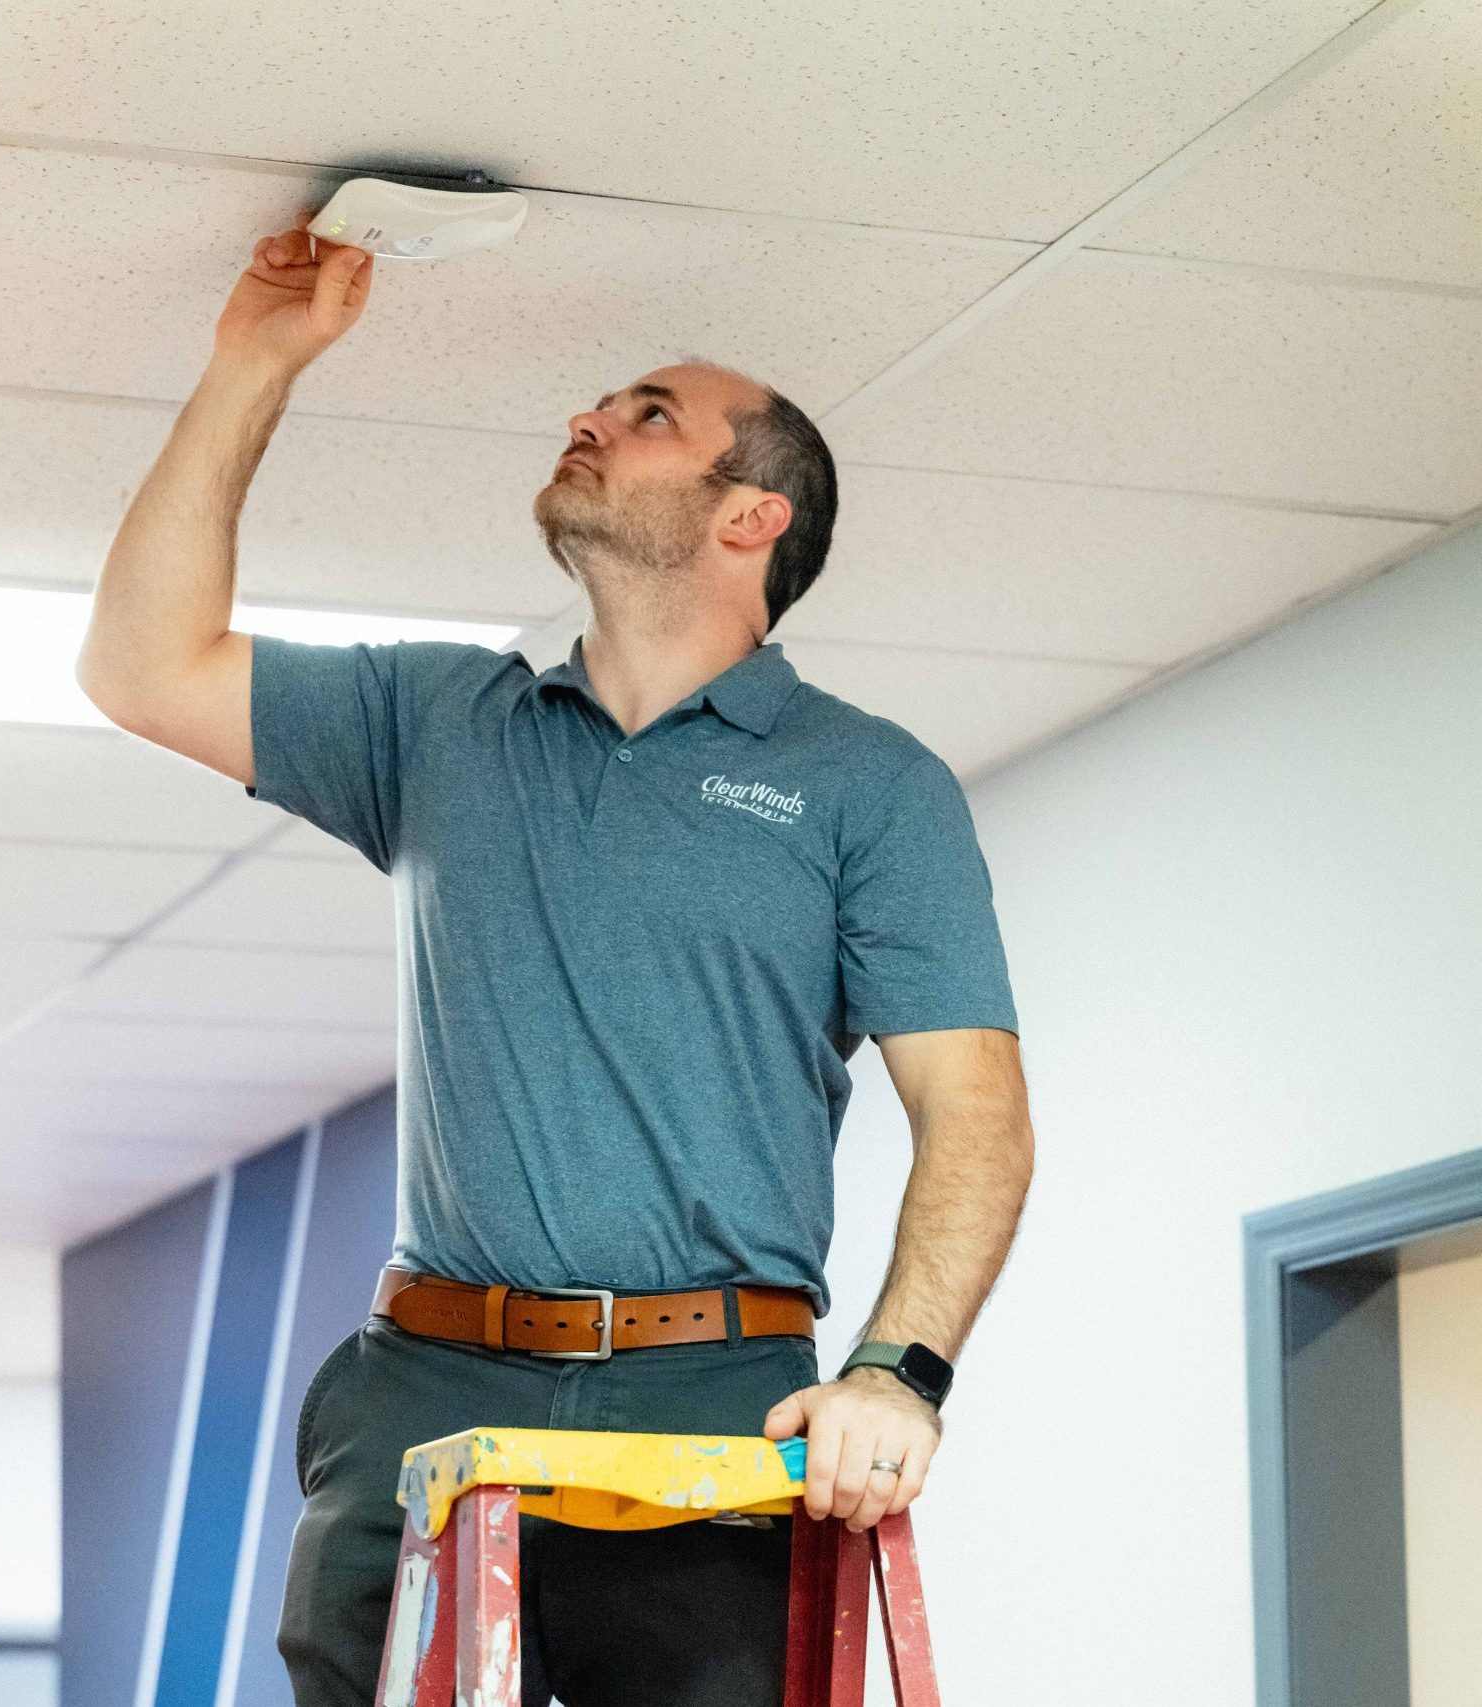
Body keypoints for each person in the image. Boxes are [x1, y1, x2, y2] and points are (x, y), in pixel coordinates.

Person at [77, 208, 1036, 1707]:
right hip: (429, 1381)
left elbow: (976, 1117)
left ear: (750, 517)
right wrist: (252, 365)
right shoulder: (443, 723)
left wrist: (896, 1372)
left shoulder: (868, 785)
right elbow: (141, 667)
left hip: (716, 1398)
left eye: (650, 415)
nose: (587, 419)